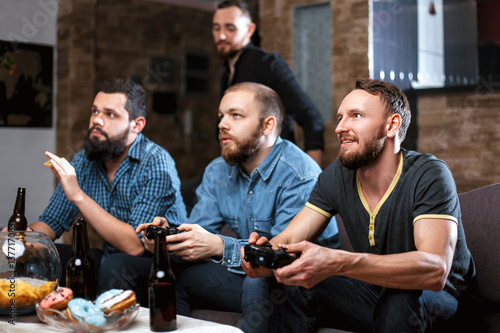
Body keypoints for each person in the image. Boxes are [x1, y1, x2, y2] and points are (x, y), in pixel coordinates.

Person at [241, 79, 476, 332]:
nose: (340, 127)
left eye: (356, 116)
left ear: (392, 125)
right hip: (375, 291)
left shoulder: (429, 174)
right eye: (340, 117)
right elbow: (289, 237)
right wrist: (268, 257)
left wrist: (338, 262)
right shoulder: (337, 175)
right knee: (286, 284)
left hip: (443, 300)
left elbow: (436, 270)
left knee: (398, 301)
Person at [137, 82, 339, 333]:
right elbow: (200, 230)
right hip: (250, 271)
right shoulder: (217, 171)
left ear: (268, 125)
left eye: (236, 115)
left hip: (302, 281)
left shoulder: (300, 174)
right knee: (172, 271)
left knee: (260, 282)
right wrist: (172, 238)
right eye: (221, 116)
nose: (222, 124)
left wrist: (220, 247)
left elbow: (281, 256)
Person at [29, 78, 187, 303]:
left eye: (110, 114)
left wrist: (78, 196)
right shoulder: (84, 160)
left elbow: (135, 245)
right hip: (112, 258)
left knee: (117, 263)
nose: (97, 120)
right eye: (95, 111)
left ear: (137, 125)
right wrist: (18, 238)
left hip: (160, 264)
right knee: (51, 254)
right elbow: (51, 223)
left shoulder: (156, 163)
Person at [212, 0, 325, 165]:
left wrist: (314, 183)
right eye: (216, 28)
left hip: (274, 171)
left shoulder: (267, 64)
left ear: (249, 30)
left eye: (230, 28)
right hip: (240, 171)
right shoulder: (226, 75)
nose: (221, 35)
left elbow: (312, 119)